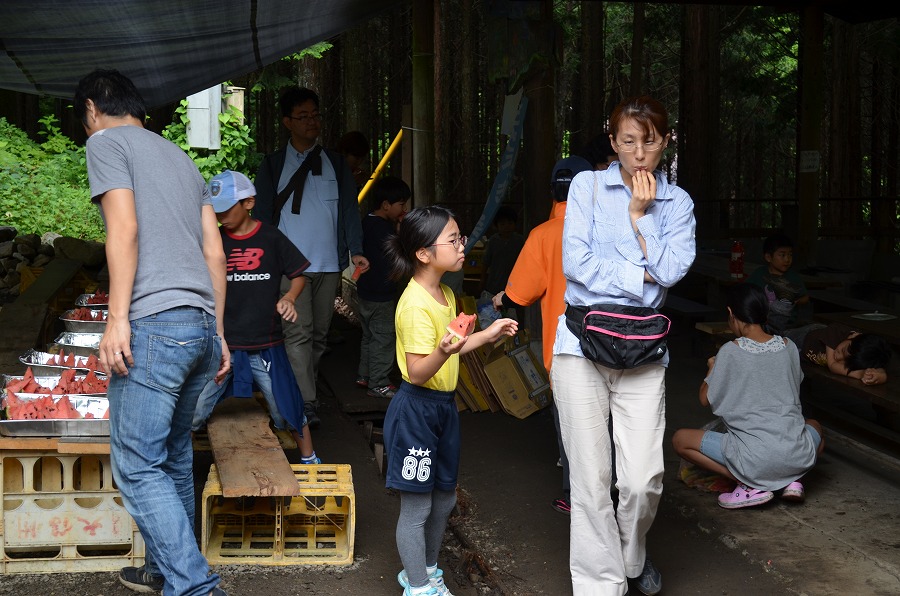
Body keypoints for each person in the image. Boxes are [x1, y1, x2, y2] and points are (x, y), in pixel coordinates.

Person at [74, 69, 230, 596]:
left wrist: (117, 318)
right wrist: (220, 335)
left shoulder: (105, 143)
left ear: (93, 109)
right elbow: (215, 251)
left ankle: (195, 587)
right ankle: (166, 572)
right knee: (174, 456)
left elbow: (125, 228)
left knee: (138, 468)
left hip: (155, 326)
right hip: (200, 326)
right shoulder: (180, 157)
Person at [550, 95, 696, 596]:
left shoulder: (677, 204)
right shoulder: (587, 187)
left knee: (643, 479)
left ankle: (632, 557)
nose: (638, 152)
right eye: (628, 141)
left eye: (649, 141)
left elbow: (674, 272)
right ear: (613, 143)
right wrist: (642, 280)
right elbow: (576, 265)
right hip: (580, 346)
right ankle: (601, 586)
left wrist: (638, 217)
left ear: (664, 143)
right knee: (591, 482)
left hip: (644, 352)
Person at [382, 206, 518, 596]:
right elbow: (421, 369)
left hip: (443, 409)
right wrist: (445, 350)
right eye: (454, 240)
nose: (463, 246)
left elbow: (453, 347)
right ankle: (418, 587)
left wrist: (488, 334)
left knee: (443, 499)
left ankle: (425, 570)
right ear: (424, 253)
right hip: (416, 411)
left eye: (461, 237)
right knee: (417, 508)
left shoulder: (443, 292)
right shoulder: (413, 305)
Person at [254, 86, 370, 429]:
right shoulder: (274, 165)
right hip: (291, 268)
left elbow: (349, 208)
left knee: (319, 335)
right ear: (288, 122)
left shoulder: (334, 162)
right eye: (303, 116)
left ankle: (301, 388)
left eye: (316, 115)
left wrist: (357, 249)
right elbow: (261, 216)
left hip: (329, 264)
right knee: (298, 334)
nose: (312, 122)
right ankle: (305, 401)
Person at [191, 170, 320, 464]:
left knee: (286, 406)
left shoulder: (271, 237)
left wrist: (288, 297)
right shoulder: (213, 242)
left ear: (249, 202)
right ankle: (178, 461)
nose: (220, 215)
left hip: (266, 343)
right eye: (215, 209)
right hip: (223, 344)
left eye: (226, 208)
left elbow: (299, 275)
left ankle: (310, 460)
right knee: (194, 407)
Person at [491, 155, 594, 515]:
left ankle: (575, 495)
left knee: (570, 422)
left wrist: (502, 297)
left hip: (566, 349)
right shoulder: (608, 229)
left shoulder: (544, 234)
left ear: (553, 191)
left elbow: (520, 292)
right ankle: (612, 492)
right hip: (614, 346)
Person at [671, 284, 825, 509]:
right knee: (815, 426)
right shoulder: (789, 346)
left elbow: (705, 399)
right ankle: (793, 480)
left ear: (732, 314)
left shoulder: (730, 351)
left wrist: (712, 369)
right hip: (794, 455)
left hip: (753, 459)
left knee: (680, 439)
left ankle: (747, 483)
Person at [356, 175, 410, 398]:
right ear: (386, 205)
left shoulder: (366, 222)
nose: (404, 209)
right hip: (381, 295)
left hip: (365, 292)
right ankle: (378, 383)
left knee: (369, 335)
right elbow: (398, 254)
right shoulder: (385, 230)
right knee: (384, 338)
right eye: (401, 204)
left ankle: (365, 374)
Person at [744, 233, 809, 333]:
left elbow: (805, 298)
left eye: (790, 255)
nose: (787, 259)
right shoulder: (759, 274)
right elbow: (745, 292)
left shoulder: (793, 277)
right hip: (761, 324)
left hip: (788, 325)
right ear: (768, 257)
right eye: (782, 255)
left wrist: (794, 301)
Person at [796, 322, 891, 385]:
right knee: (784, 339)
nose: (838, 358)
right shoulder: (835, 331)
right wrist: (859, 374)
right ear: (854, 336)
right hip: (804, 337)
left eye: (846, 362)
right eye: (842, 351)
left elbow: (879, 368)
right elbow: (833, 365)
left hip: (801, 355)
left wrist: (882, 375)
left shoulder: (861, 357)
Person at [480, 205, 525, 297]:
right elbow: (485, 263)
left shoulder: (520, 241)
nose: (507, 227)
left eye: (510, 223)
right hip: (495, 284)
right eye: (502, 224)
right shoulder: (493, 241)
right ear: (497, 226)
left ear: (515, 224)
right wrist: (482, 281)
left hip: (515, 284)